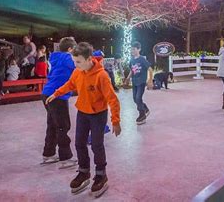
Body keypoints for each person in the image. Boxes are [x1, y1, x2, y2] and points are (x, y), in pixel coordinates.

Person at [45, 42, 121, 198]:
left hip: (98, 115)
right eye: (74, 62)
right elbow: (70, 84)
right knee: (79, 143)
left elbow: (113, 100)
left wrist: (115, 121)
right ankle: (84, 172)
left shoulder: (102, 76)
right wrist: (56, 93)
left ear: (89, 59)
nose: (75, 65)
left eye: (78, 62)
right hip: (82, 113)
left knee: (97, 145)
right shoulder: (78, 72)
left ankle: (101, 174)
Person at [40, 37, 78, 167]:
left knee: (52, 124)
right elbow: (78, 63)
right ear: (70, 50)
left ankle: (48, 153)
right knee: (63, 126)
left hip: (47, 93)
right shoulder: (67, 57)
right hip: (57, 96)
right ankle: (65, 157)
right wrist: (94, 54)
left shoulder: (55, 57)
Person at [125, 41, 153, 125]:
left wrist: (150, 80)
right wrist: (127, 78)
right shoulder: (132, 60)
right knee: (135, 99)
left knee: (138, 98)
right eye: (131, 49)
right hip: (134, 82)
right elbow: (132, 70)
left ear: (139, 49)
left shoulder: (142, 59)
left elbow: (150, 69)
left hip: (141, 82)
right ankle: (145, 109)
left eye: (134, 49)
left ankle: (142, 115)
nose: (132, 51)